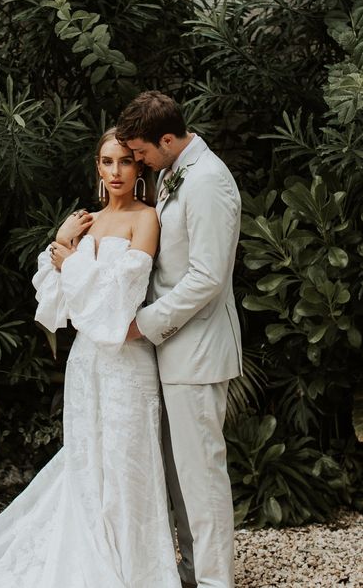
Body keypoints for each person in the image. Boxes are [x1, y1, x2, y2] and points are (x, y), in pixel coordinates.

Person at [0, 127, 181, 588]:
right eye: (107, 162)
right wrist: (59, 242)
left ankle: (135, 569)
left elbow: (121, 295)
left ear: (139, 166)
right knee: (87, 460)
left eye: (125, 161)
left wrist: (70, 262)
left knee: (129, 461)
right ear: (97, 169)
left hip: (128, 358)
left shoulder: (146, 219)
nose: (116, 171)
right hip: (87, 358)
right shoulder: (84, 222)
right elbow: (58, 301)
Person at [115, 91, 243, 588]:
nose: (136, 162)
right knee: (178, 477)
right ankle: (191, 573)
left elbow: (208, 276)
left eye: (141, 152)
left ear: (167, 139)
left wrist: (144, 323)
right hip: (172, 351)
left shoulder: (209, 181)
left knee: (201, 477)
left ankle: (214, 582)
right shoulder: (173, 171)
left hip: (199, 351)